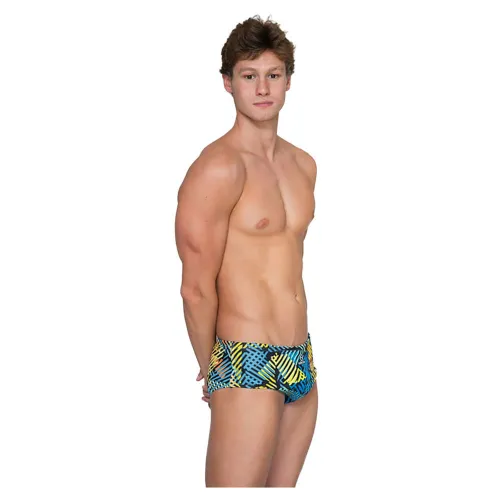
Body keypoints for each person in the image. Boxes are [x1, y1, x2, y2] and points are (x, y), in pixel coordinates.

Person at [175, 15, 319, 488]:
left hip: (300, 356)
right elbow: (196, 288)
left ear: (288, 81)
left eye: (273, 74)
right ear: (227, 83)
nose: (262, 88)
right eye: (248, 75)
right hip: (245, 360)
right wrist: (212, 368)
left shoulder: (303, 165)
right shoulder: (217, 168)